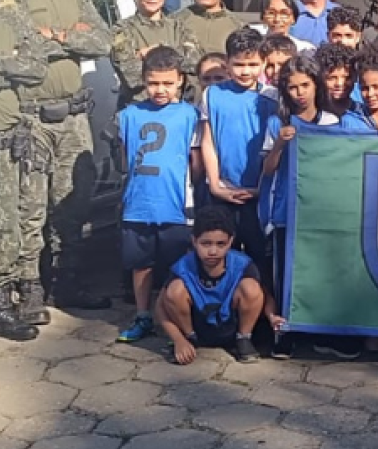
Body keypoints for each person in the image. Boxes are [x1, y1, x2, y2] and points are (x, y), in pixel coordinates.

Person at [2, 0, 112, 311]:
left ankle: (67, 283)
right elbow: (21, 47)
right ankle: (30, 285)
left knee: (74, 201)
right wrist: (64, 39)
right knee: (31, 206)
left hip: (74, 118)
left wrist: (56, 35)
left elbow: (102, 41)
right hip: (32, 119)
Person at [115, 47, 201, 343]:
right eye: (153, 83)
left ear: (180, 80)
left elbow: (195, 161)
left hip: (175, 204)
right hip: (138, 204)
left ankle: (176, 319)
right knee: (141, 265)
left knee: (178, 265)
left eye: (167, 83)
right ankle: (143, 316)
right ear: (143, 80)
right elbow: (127, 159)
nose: (160, 89)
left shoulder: (191, 115)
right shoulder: (129, 115)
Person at [261, 55, 339, 358]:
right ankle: (283, 333)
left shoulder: (332, 122)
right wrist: (280, 144)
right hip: (286, 212)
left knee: (319, 272)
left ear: (316, 85)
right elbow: (267, 170)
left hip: (321, 211)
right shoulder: (276, 123)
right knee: (284, 275)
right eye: (292, 87)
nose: (300, 93)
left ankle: (318, 330)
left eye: (305, 85)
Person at [199, 27, 276, 265]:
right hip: (222, 190)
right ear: (227, 64)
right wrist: (215, 184)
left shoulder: (272, 96)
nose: (246, 71)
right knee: (219, 256)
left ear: (263, 63)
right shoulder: (212, 94)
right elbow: (208, 141)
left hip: (259, 192)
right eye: (239, 64)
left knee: (258, 257)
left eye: (253, 64)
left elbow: (274, 147)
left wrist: (260, 188)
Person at [156, 205, 264, 365]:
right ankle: (189, 339)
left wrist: (273, 317)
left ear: (231, 241)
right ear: (194, 241)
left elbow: (263, 294)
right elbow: (160, 306)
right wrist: (178, 339)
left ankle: (244, 339)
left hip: (231, 327)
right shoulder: (182, 267)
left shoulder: (243, 264)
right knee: (174, 291)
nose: (213, 251)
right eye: (206, 244)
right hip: (197, 328)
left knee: (251, 288)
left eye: (221, 244)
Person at [0, 0, 47, 338]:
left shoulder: (11, 16)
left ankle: (7, 297)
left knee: (14, 219)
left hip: (10, 134)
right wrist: (10, 63)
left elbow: (37, 65)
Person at [111, 0, 200, 108]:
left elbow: (194, 63)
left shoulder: (179, 27)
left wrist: (148, 54)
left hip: (174, 109)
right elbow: (130, 76)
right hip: (138, 108)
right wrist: (175, 56)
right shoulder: (122, 30)